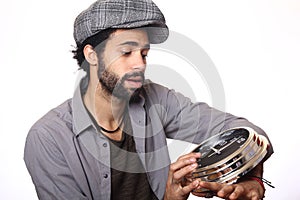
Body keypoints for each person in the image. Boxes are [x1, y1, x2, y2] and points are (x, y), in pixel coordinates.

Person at [24, 0, 274, 199]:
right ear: (91, 55)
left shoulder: (156, 98)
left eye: (144, 53)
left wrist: (251, 179)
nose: (139, 64)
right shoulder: (48, 138)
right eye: (126, 52)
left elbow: (248, 133)